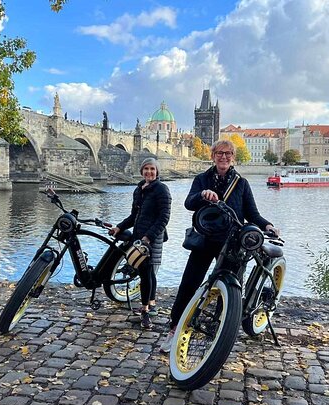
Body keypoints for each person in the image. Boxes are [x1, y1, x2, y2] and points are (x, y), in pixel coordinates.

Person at [160, 140, 279, 352]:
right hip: (205, 240)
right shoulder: (202, 179)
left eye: (228, 154)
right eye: (219, 153)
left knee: (230, 288)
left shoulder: (241, 183)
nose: (224, 157)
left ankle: (220, 331)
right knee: (189, 283)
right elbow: (189, 203)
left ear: (233, 157)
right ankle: (174, 328)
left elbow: (252, 214)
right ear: (213, 156)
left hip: (231, 242)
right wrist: (202, 195)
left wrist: (267, 225)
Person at [109, 158, 171, 329]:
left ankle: (144, 312)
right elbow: (133, 216)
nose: (149, 172)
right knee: (149, 272)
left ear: (157, 172)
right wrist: (119, 228)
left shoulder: (161, 190)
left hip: (153, 238)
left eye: (152, 169)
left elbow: (164, 218)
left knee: (145, 273)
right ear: (141, 171)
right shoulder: (139, 190)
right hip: (139, 235)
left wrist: (149, 237)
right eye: (146, 169)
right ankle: (151, 305)